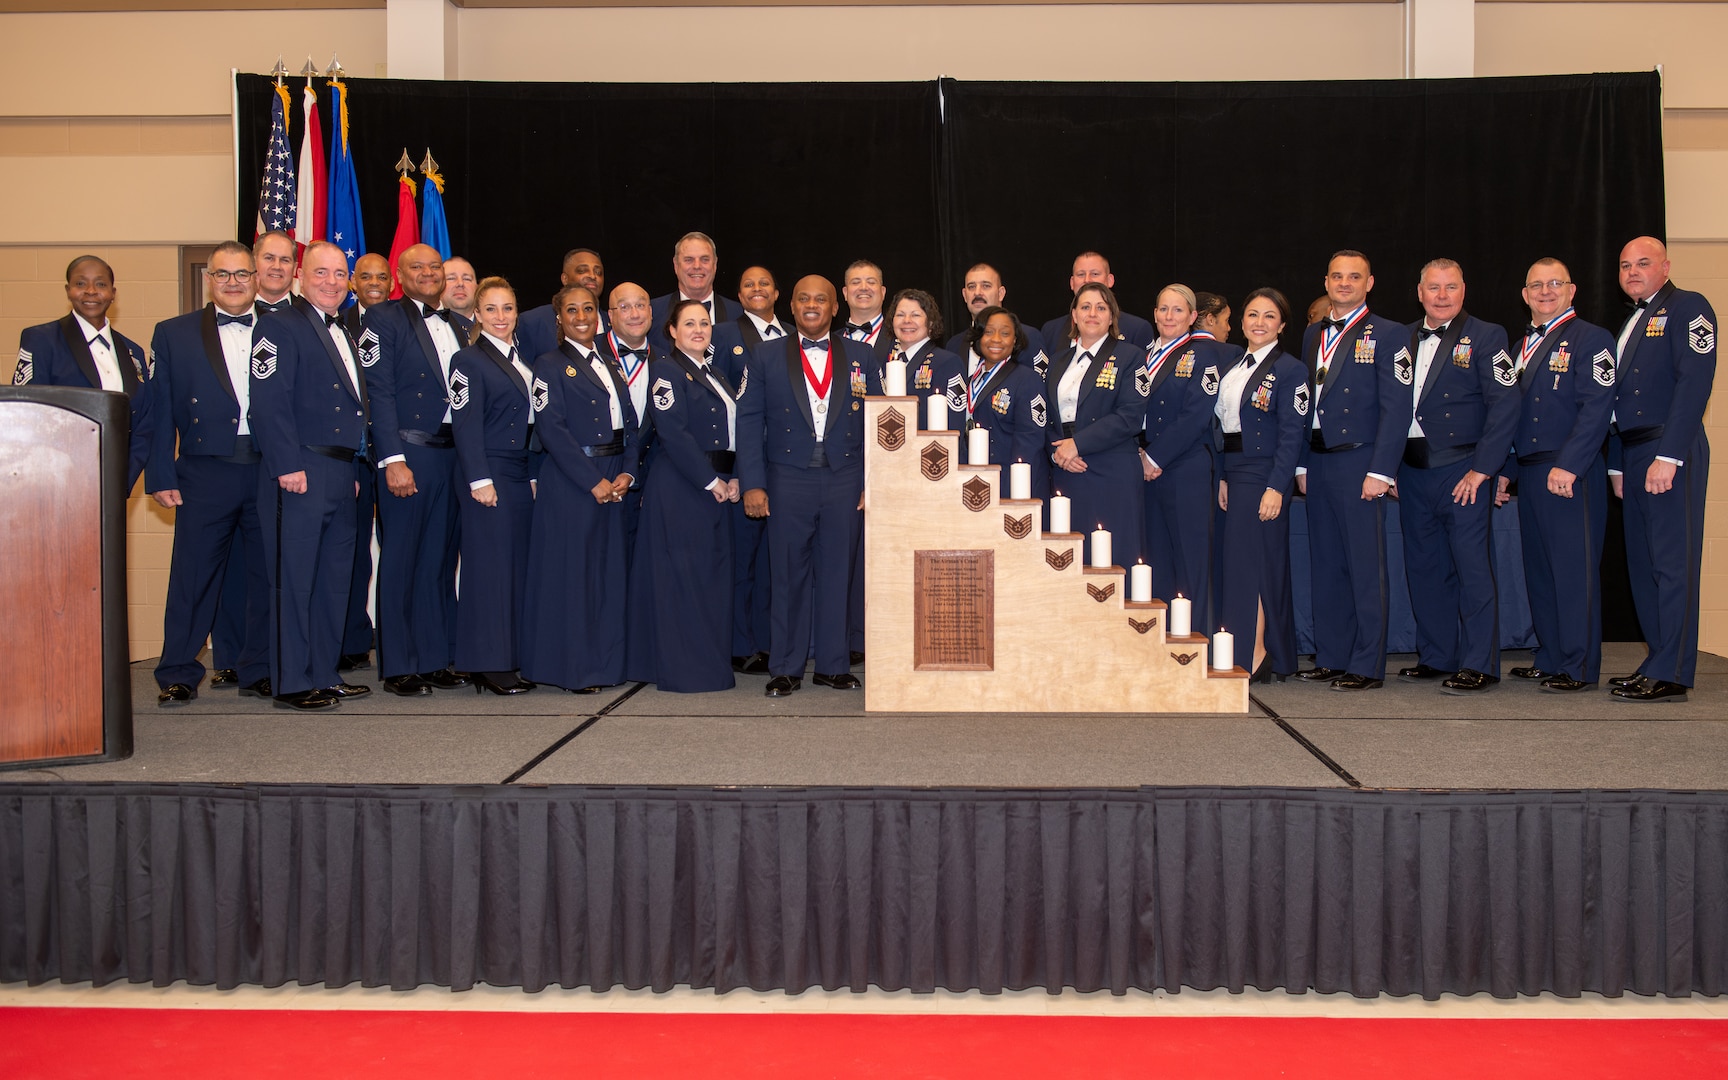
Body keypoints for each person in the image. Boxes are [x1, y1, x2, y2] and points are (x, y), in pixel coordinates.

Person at [738, 275, 880, 696]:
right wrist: (753, 484)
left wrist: (872, 482)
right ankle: (785, 667)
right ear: (792, 307)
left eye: (821, 299)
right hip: (786, 479)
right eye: (804, 299)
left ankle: (833, 665)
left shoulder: (862, 355)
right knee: (787, 575)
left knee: (839, 572)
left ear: (835, 308)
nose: (812, 305)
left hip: (845, 478)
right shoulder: (763, 356)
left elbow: (880, 423)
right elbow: (747, 422)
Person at [144, 241, 270, 705]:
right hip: (203, 471)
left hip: (267, 468)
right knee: (193, 577)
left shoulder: (283, 328)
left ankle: (258, 668)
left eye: (242, 274)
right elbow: (157, 412)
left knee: (263, 576)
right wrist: (160, 474)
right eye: (223, 274)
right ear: (209, 280)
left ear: (257, 279)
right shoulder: (173, 333)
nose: (233, 282)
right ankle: (177, 671)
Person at [248, 240, 371, 711]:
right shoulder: (279, 327)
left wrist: (353, 463)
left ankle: (323, 671)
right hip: (300, 468)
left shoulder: (344, 330)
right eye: (322, 273)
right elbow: (269, 400)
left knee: (333, 578)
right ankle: (293, 682)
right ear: (300, 276)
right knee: (295, 578)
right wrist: (286, 464)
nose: (332, 283)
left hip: (341, 470)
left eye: (340, 274)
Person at [1393, 259, 1519, 695]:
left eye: (1450, 287)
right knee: (1425, 568)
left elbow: (1505, 405)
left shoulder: (1488, 336)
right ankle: (1437, 654)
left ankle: (1479, 662)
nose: (1442, 295)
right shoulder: (1401, 337)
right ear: (1419, 292)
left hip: (1462, 469)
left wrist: (1485, 469)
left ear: (1463, 291)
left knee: (1472, 569)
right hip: (1410, 470)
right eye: (1433, 287)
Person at [1605, 237, 1716, 702]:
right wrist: (1615, 463)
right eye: (1625, 264)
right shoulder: (1632, 319)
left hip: (1668, 447)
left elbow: (1695, 382)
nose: (1633, 271)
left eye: (1643, 263)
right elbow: (1613, 401)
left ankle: (1672, 671)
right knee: (1645, 565)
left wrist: (1669, 457)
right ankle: (1657, 660)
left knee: (1672, 564)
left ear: (1665, 266)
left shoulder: (1689, 306)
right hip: (1633, 454)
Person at [1295, 250, 1408, 692]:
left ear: (1370, 283)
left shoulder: (1390, 334)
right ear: (1326, 281)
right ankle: (1332, 654)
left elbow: (1397, 408)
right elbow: (1303, 404)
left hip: (1360, 460)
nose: (1344, 283)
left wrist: (1381, 470)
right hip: (1319, 461)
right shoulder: (1311, 335)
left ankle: (1366, 663)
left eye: (1354, 277)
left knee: (1364, 565)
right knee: (1326, 562)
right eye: (1338, 276)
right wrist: (1302, 462)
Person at [522, 285, 638, 694]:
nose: (581, 316)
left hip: (614, 475)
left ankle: (606, 664)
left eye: (588, 308)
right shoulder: (548, 365)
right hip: (575, 480)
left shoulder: (610, 362)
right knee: (575, 577)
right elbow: (551, 429)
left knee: (606, 576)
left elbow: (630, 423)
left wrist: (627, 472)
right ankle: (574, 669)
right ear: (560, 318)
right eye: (572, 310)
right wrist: (593, 481)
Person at [366, 243, 471, 696]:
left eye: (434, 267)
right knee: (403, 561)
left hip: (452, 456)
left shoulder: (461, 326)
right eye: (418, 268)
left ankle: (434, 657)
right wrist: (393, 460)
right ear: (399, 275)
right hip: (410, 455)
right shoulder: (383, 320)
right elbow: (379, 393)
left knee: (439, 561)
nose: (428, 274)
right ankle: (399, 665)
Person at [1507, 259, 1616, 693]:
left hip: (1571, 471)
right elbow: (1511, 418)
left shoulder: (1593, 339)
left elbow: (1597, 407)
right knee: (1540, 570)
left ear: (1572, 290)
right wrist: (1505, 472)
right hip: (1531, 472)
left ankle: (1579, 664)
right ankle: (1551, 654)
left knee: (1573, 570)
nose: (1545, 291)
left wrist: (1570, 464)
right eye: (1536, 284)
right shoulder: (1519, 346)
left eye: (1555, 284)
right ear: (1524, 293)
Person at [627, 299, 743, 692]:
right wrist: (711, 481)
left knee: (709, 580)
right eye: (689, 323)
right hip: (683, 486)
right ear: (672, 331)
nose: (699, 329)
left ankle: (708, 664)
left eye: (705, 323)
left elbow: (736, 433)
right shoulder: (666, 370)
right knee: (684, 579)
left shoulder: (717, 375)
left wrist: (738, 476)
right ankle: (685, 671)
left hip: (718, 485)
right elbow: (673, 432)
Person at [449, 278, 537, 695]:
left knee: (514, 567)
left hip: (518, 473)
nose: (500, 317)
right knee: (489, 570)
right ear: (478, 315)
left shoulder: (521, 361)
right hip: (489, 472)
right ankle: (487, 663)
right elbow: (465, 426)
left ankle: (510, 656)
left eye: (508, 309)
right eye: (492, 310)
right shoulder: (467, 360)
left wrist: (533, 476)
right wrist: (479, 479)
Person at [1215, 288, 1307, 682]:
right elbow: (1220, 426)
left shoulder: (1291, 370)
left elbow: (1292, 434)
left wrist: (1276, 486)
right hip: (1233, 470)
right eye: (1252, 314)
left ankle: (1256, 650)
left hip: (1264, 472)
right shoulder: (1235, 364)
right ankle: (1256, 649)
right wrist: (1220, 475)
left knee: (1256, 563)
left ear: (1282, 325)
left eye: (1269, 316)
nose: (1259, 322)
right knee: (1238, 563)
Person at [13, 254, 154, 491]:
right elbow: (28, 415)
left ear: (113, 293)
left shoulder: (133, 352)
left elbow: (144, 423)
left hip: (115, 484)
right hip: (55, 483)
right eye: (80, 284)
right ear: (68, 291)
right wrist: (65, 476)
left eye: (100, 284)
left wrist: (120, 479)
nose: (90, 291)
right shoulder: (41, 340)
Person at [1043, 282, 1150, 567]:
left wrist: (1077, 445)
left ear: (1112, 317)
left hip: (1110, 470)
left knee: (1115, 561)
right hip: (1068, 471)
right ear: (1074, 315)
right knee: (1073, 563)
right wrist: (1057, 453)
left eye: (1101, 308)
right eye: (1086, 307)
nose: (1093, 313)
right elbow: (1045, 416)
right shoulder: (1056, 362)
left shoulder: (1131, 357)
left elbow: (1130, 415)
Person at [1140, 284, 1228, 617]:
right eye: (1163, 308)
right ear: (1154, 313)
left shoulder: (1203, 354)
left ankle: (1198, 649)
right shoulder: (1143, 353)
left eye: (1178, 310)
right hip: (1146, 466)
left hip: (1184, 464)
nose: (1169, 316)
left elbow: (1196, 414)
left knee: (1190, 560)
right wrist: (1140, 454)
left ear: (1193, 316)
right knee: (1156, 558)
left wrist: (1153, 457)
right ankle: (1164, 646)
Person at [335, 251, 392, 675]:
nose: (375, 282)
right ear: (353, 282)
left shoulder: (400, 323)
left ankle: (388, 641)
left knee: (393, 550)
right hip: (351, 458)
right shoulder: (336, 325)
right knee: (350, 551)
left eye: (382, 276)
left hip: (392, 456)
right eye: (366, 276)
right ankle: (348, 639)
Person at [730, 267, 787, 672]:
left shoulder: (791, 336)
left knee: (775, 562)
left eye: (764, 283)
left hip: (787, 464)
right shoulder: (721, 334)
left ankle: (771, 641)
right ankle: (739, 642)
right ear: (738, 293)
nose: (757, 290)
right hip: (745, 463)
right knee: (743, 559)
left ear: (777, 293)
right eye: (748, 284)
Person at [601, 282, 667, 562]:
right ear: (610, 315)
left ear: (651, 312)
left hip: (645, 481)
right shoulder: (589, 354)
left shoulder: (668, 361)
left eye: (640, 305)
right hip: (599, 478)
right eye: (624, 307)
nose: (634, 313)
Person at [963, 305, 1050, 498]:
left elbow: (1030, 440)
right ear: (978, 337)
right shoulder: (971, 380)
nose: (996, 339)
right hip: (977, 482)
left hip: (1014, 484)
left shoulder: (1027, 379)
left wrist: (1011, 486)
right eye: (988, 332)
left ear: (1015, 340)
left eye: (1005, 333)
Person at [944, 262, 1050, 376]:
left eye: (986, 286)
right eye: (971, 287)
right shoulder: (954, 345)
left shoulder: (1028, 337)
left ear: (1001, 293)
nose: (977, 292)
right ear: (964, 295)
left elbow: (1038, 384)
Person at [1040, 252, 1156, 351]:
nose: (1087, 280)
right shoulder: (1051, 331)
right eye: (1081, 274)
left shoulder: (1136, 329)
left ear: (1110, 280)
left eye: (1094, 274)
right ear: (1072, 282)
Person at [649, 232, 743, 352]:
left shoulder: (739, 314)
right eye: (689, 260)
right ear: (676, 265)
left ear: (715, 264)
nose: (697, 266)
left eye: (705, 259)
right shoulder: (652, 313)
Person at [517, 247, 606, 361]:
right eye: (582, 270)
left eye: (598, 272)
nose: (593, 276)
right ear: (565, 279)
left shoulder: (614, 322)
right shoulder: (533, 322)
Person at [842, 260, 893, 362]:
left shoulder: (900, 337)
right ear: (845, 293)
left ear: (883, 292)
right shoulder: (830, 341)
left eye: (871, 282)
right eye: (856, 282)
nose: (864, 288)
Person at [252, 230, 298, 314]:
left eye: (285, 260)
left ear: (294, 268)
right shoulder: (236, 309)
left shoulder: (309, 314)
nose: (277, 267)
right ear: (254, 263)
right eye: (269, 258)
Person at [442, 256, 478, 322]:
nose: (460, 283)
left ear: (477, 287)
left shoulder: (493, 328)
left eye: (467, 279)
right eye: (451, 278)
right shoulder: (426, 327)